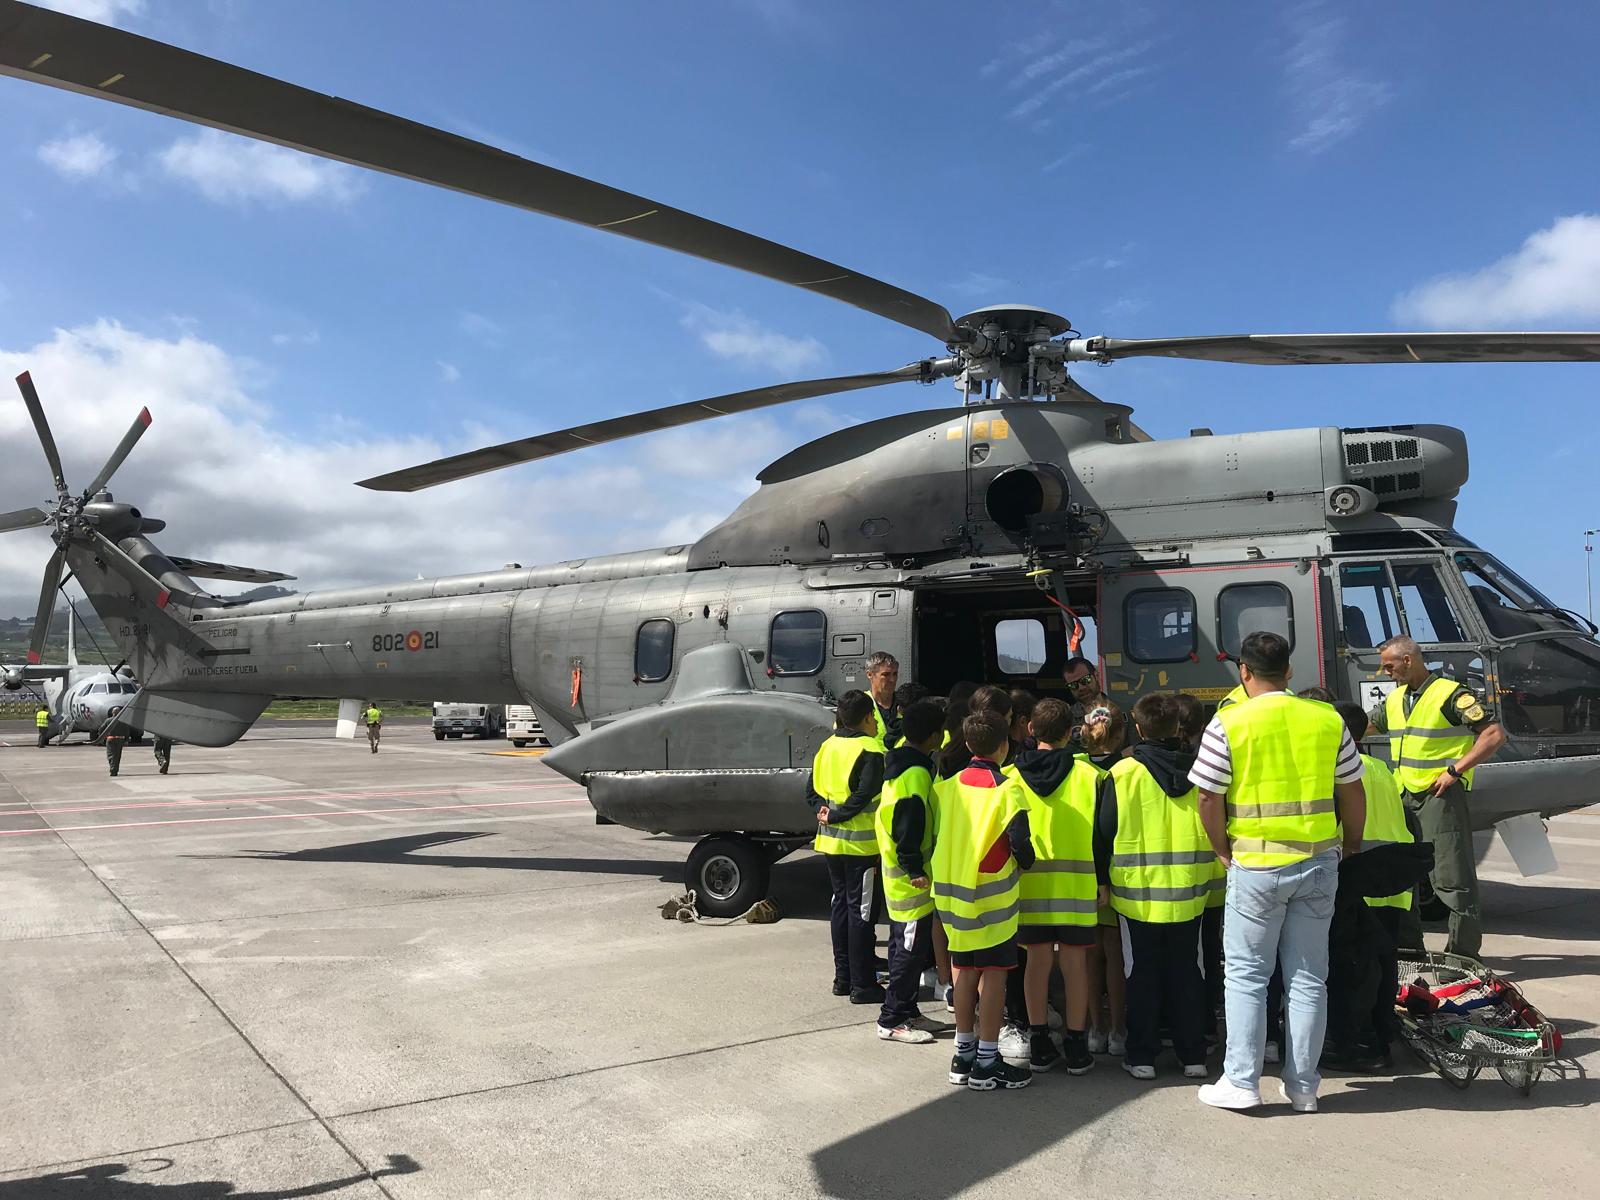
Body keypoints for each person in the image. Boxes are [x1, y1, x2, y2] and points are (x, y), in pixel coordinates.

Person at [1192, 631, 1366, 1113]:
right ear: (1289, 671)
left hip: (1257, 863)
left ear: (1243, 672)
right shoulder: (1328, 719)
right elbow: (1353, 790)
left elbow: (1207, 795)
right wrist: (1351, 843)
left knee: (1248, 976)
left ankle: (1241, 1081)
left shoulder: (1228, 722)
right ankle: (1304, 1086)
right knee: (1309, 978)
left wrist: (1221, 849)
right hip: (1319, 860)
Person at [1365, 635, 1504, 958]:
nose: (1385, 673)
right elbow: (1365, 726)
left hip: (1439, 795)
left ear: (1408, 660)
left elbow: (1494, 734)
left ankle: (1463, 955)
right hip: (1404, 795)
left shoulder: (1450, 695)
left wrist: (1455, 770)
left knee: (1453, 878)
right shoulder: (1396, 699)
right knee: (1404, 874)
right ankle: (1409, 949)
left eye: (1389, 666)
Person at [1098, 693, 1213, 1080]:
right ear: (1177, 727)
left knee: (1141, 975)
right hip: (1190, 893)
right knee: (1189, 974)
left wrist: (1102, 881)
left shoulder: (1122, 774)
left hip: (1137, 897)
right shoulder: (1200, 771)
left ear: (1139, 729)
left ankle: (1142, 1056)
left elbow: (1104, 832)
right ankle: (1193, 1055)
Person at [933, 709, 1033, 1091]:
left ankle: (963, 1055)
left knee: (964, 971)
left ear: (968, 743)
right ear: (1004, 746)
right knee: (994, 976)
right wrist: (1028, 862)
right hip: (992, 901)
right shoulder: (1007, 790)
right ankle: (988, 1061)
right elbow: (1020, 844)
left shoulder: (947, 787)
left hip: (952, 897)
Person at [1325, 701, 1423, 1071]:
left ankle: (1358, 1045)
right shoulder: (1380, 768)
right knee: (1383, 965)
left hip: (1358, 882)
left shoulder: (1340, 772)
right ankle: (1383, 1036)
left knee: (1355, 971)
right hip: (1392, 882)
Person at [1011, 697, 1098, 1074]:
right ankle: (1077, 1046)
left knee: (1036, 962)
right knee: (1075, 964)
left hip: (1029, 888)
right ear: (1070, 732)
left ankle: (1039, 1042)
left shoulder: (1011, 776)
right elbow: (1103, 836)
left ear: (1031, 729)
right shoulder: (1090, 776)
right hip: (1077, 888)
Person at [873, 699, 948, 1044]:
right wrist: (914, 866)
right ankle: (891, 1019)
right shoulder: (915, 775)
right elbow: (908, 823)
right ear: (934, 736)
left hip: (902, 877)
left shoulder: (904, 764)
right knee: (908, 950)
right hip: (909, 881)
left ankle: (908, 1010)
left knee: (903, 946)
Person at [808, 690, 887, 1004]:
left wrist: (824, 812)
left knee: (840, 907)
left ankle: (843, 978)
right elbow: (865, 795)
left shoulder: (826, 746)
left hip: (830, 842)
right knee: (861, 912)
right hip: (862, 847)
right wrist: (839, 815)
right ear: (868, 717)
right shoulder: (871, 749)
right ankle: (863, 984)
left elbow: (811, 791)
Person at [1079, 704, 1128, 1057]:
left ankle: (1095, 1028)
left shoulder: (1076, 768)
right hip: (1113, 870)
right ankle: (1118, 1030)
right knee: (1116, 957)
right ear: (1121, 733)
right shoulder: (1125, 770)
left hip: (1080, 871)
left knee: (1089, 956)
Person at [864, 651, 902, 747]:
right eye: (886, 675)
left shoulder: (905, 703)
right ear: (869, 675)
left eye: (895, 674)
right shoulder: (859, 705)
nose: (892, 680)